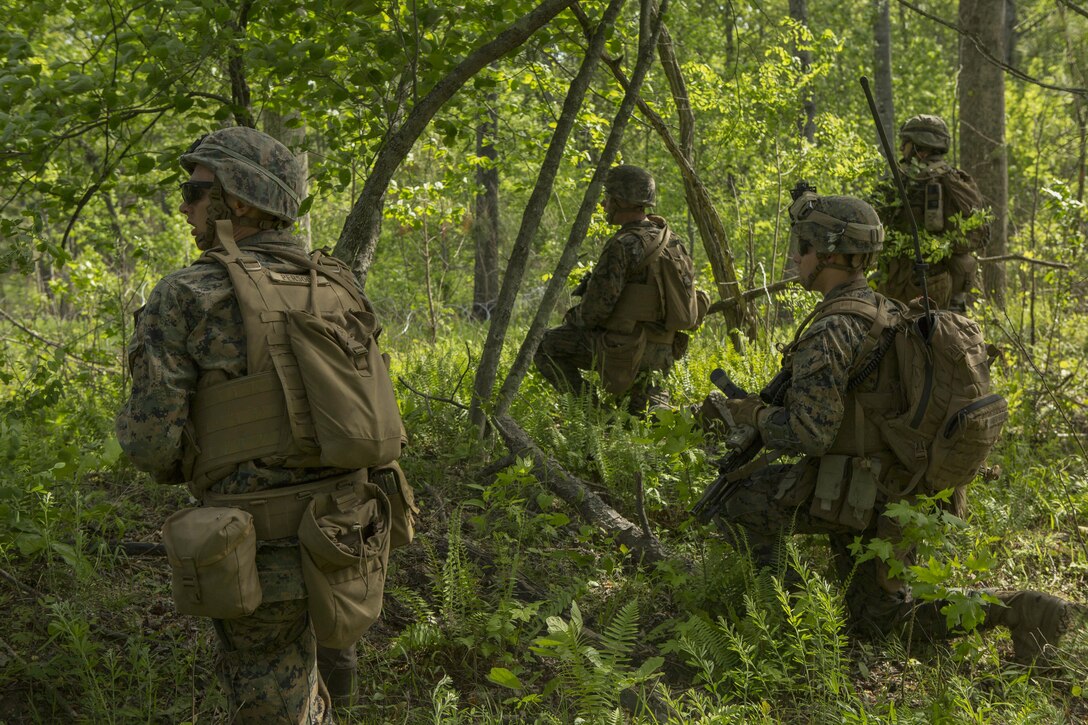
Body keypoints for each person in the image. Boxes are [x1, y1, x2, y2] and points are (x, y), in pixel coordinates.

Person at [708, 187, 1077, 663]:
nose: (796, 257)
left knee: (736, 500)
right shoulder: (887, 309)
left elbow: (811, 434)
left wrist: (754, 415)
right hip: (902, 489)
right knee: (882, 621)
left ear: (830, 254)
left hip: (862, 494)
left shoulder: (831, 328)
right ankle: (1023, 610)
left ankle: (794, 622)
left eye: (804, 246)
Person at [117, 127, 369, 721]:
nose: (185, 206)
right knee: (312, 677)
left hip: (259, 544)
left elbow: (151, 444)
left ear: (241, 200)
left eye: (195, 191)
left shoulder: (189, 292)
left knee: (270, 701)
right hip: (349, 529)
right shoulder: (336, 284)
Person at [534, 165, 695, 415]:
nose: (604, 204)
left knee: (543, 345)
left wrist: (572, 318)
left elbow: (594, 312)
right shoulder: (674, 242)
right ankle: (651, 410)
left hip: (625, 349)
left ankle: (599, 418)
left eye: (608, 198)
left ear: (620, 201)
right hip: (664, 351)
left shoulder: (622, 245)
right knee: (643, 420)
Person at [873, 114, 988, 312]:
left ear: (920, 148)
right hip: (951, 288)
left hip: (910, 288)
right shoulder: (958, 180)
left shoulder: (905, 182)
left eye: (906, 143)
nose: (901, 149)